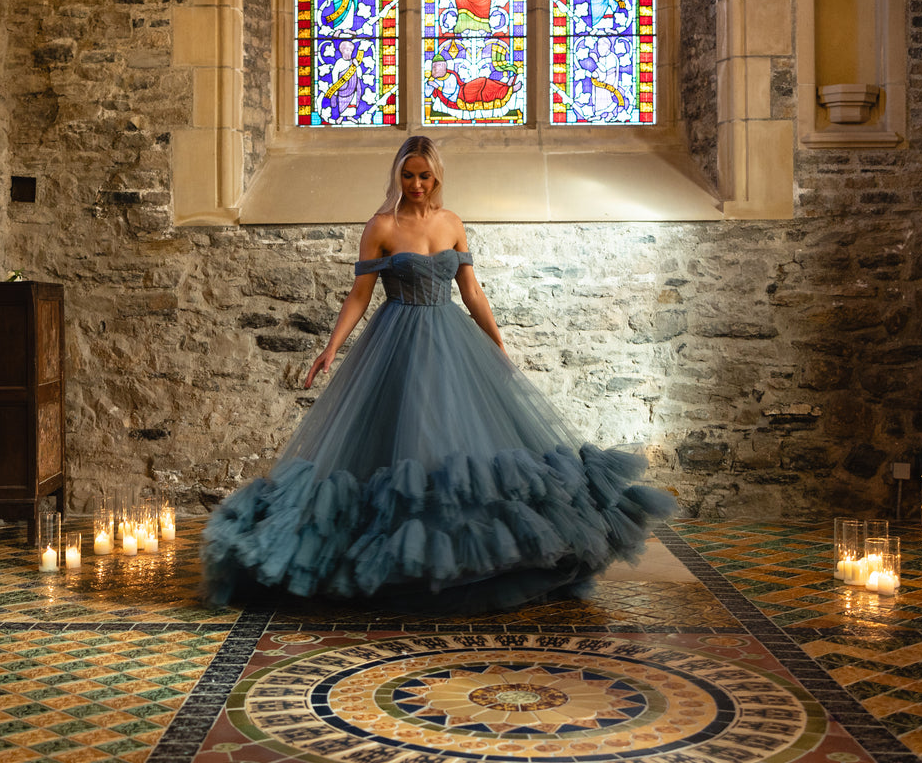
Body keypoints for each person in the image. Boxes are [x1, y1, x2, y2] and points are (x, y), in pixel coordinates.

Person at [201, 137, 675, 611]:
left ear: (437, 177)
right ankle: (398, 557)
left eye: (424, 176)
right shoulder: (380, 225)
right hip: (396, 340)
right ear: (397, 177)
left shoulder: (452, 224)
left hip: (451, 338)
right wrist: (331, 348)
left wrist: (497, 343)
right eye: (408, 176)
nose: (416, 185)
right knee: (403, 438)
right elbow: (360, 295)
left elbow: (471, 292)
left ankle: (465, 560)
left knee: (460, 444)